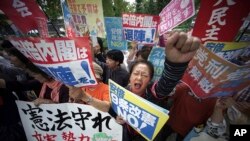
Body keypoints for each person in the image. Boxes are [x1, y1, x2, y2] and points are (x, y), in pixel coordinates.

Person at [110, 31, 202, 141]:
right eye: (136, 73)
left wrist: (175, 66)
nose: (139, 78)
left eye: (144, 75)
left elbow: (165, 84)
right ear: (130, 77)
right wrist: (118, 121)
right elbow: (113, 114)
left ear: (150, 80)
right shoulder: (121, 92)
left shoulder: (153, 92)